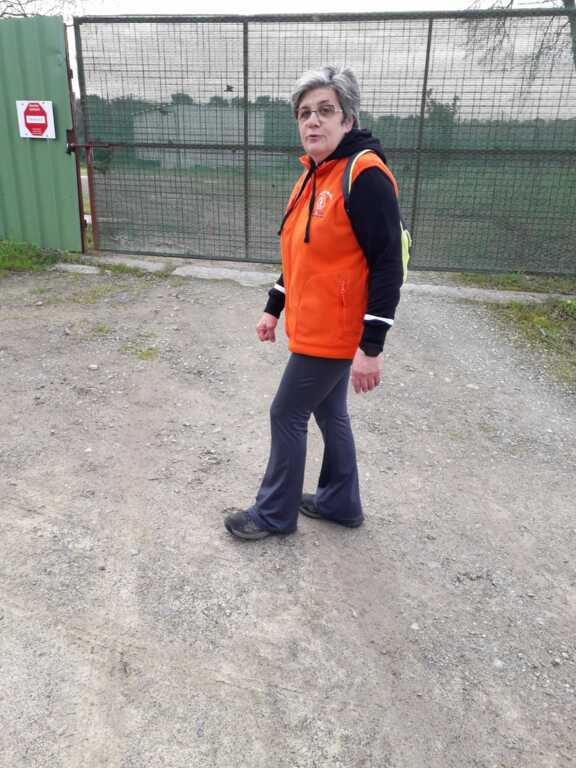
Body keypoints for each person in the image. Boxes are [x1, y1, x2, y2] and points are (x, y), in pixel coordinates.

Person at [224, 64, 404, 541]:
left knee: (286, 412)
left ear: (348, 119)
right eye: (304, 113)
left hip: (335, 332)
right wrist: (274, 306)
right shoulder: (314, 174)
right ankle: (340, 502)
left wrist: (372, 346)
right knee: (329, 412)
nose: (313, 121)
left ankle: (273, 514)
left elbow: (388, 265)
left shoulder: (364, 175)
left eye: (325, 110)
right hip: (314, 325)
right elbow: (302, 253)